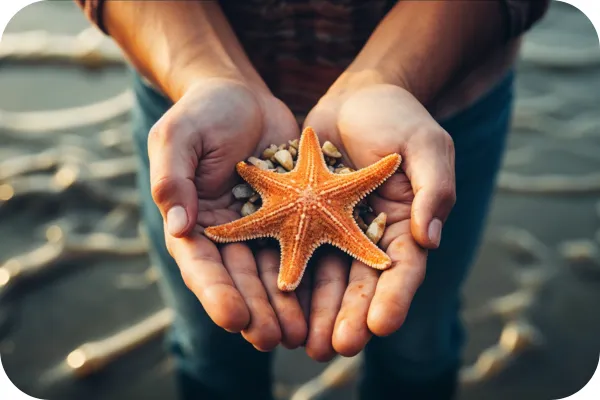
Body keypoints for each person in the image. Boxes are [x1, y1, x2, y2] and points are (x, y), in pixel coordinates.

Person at [75, 1, 550, 399]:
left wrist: (389, 79)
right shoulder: (265, 175)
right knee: (210, 345)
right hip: (188, 102)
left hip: (440, 110)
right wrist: (204, 72)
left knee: (417, 343)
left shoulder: (341, 181)